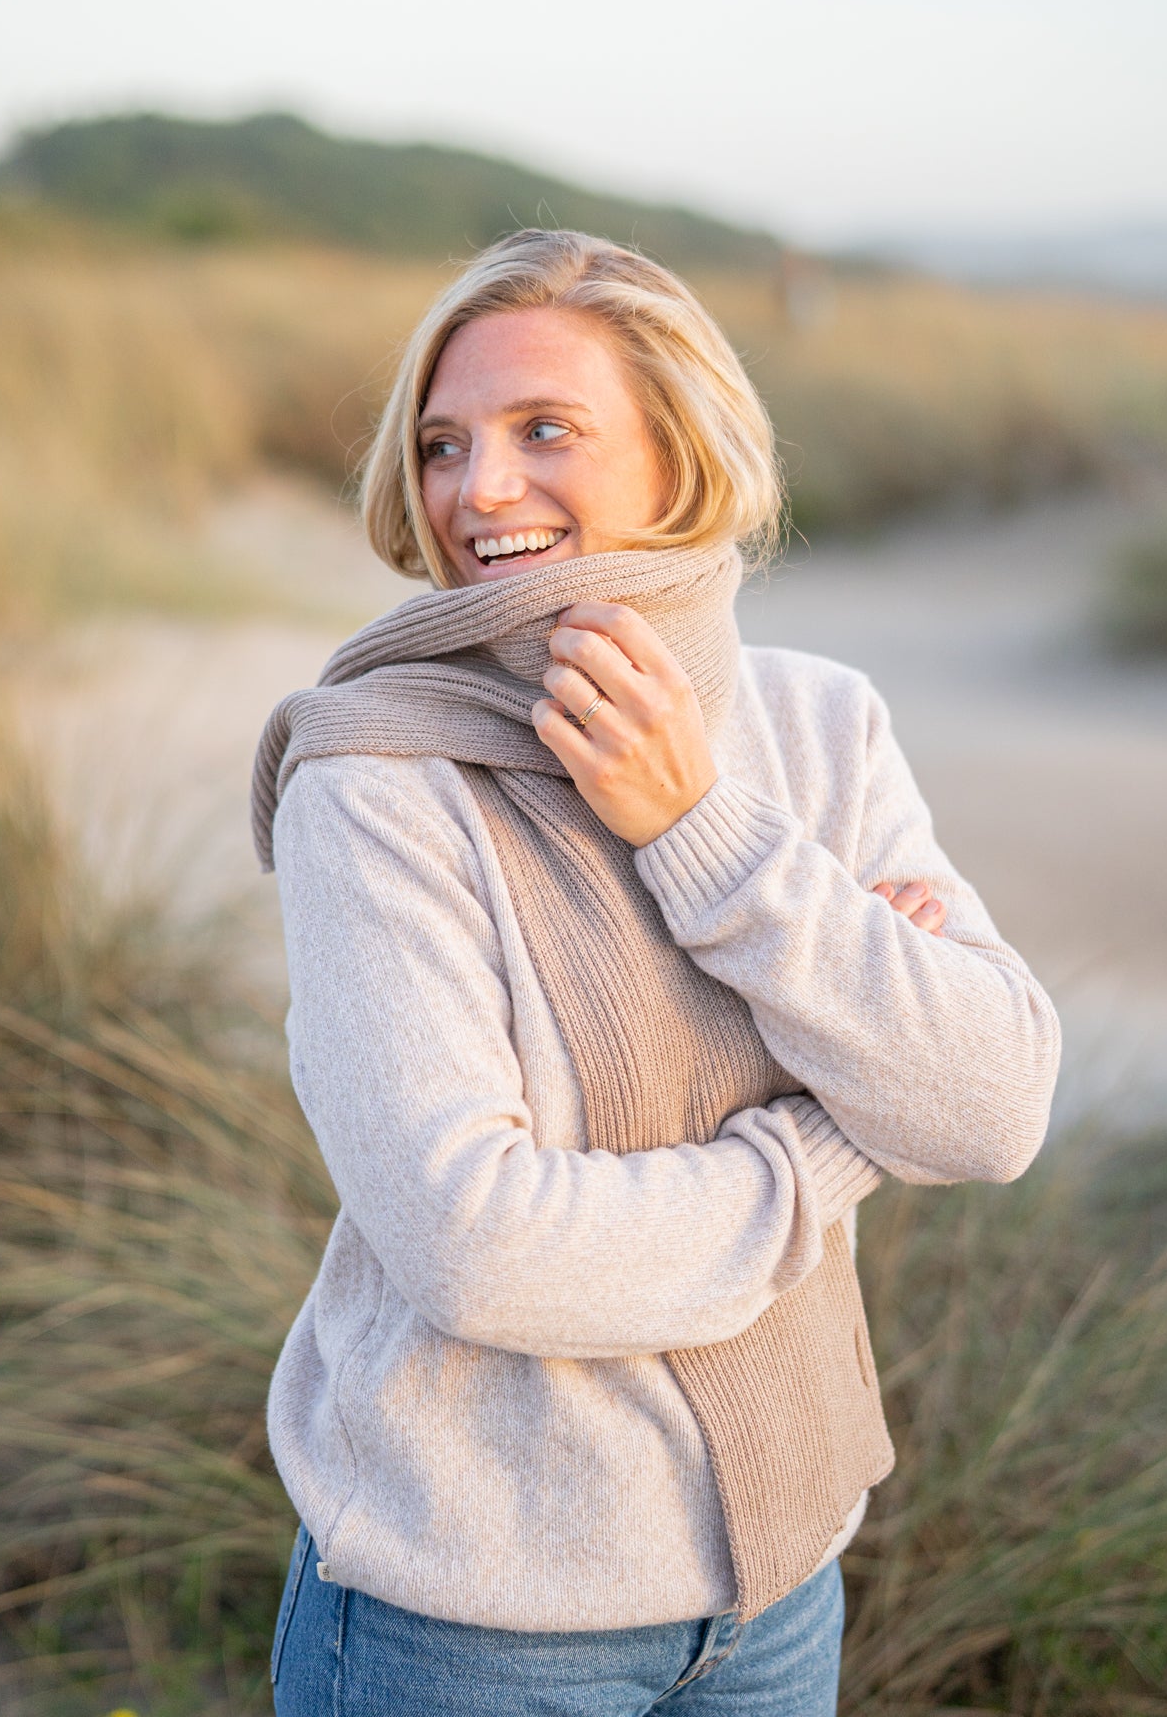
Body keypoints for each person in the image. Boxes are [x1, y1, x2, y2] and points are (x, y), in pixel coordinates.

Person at [251, 230, 1060, 1716]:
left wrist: (709, 834)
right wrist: (837, 1128)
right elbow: (478, 1242)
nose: (478, 488)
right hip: (469, 1624)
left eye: (542, 429)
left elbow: (994, 1103)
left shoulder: (821, 729)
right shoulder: (376, 780)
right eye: (442, 444)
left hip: (783, 1589)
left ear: (680, 454)